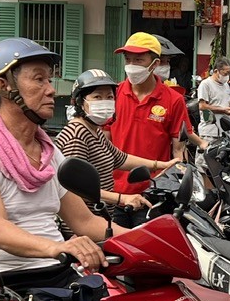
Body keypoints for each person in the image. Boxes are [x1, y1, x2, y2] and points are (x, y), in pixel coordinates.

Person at [0, 37, 109, 284]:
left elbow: (85, 221)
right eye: (39, 79)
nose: (51, 89)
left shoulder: (49, 153)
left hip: (54, 273)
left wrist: (148, 241)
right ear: (3, 86)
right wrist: (57, 248)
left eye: (49, 79)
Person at [57, 69, 179, 214]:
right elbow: (76, 187)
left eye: (109, 97)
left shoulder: (94, 131)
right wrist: (122, 198)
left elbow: (121, 158)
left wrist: (163, 165)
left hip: (100, 217)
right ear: (80, 102)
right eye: (97, 97)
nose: (105, 102)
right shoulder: (77, 134)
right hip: (82, 225)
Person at [109, 32, 193, 195]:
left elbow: (178, 151)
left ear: (154, 64)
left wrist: (179, 183)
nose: (131, 66)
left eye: (138, 60)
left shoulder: (174, 100)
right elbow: (103, 144)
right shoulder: (114, 94)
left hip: (153, 191)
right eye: (128, 59)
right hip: (114, 191)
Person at [196, 57, 230, 139]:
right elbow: (202, 106)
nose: (227, 76)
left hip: (225, 132)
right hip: (210, 133)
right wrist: (223, 110)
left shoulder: (225, 85)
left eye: (229, 73)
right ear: (216, 71)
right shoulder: (206, 84)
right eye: (225, 74)